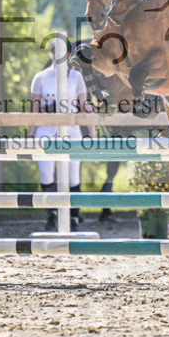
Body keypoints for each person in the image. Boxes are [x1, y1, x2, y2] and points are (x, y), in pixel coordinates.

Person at [29, 40, 96, 231]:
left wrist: (91, 132)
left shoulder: (76, 77)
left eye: (61, 52)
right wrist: (30, 136)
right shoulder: (40, 77)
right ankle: (51, 213)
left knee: (73, 174)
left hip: (71, 128)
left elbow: (84, 106)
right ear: (50, 54)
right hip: (47, 127)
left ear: (68, 55)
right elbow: (34, 109)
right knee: (46, 172)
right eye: (53, 51)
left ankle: (74, 216)